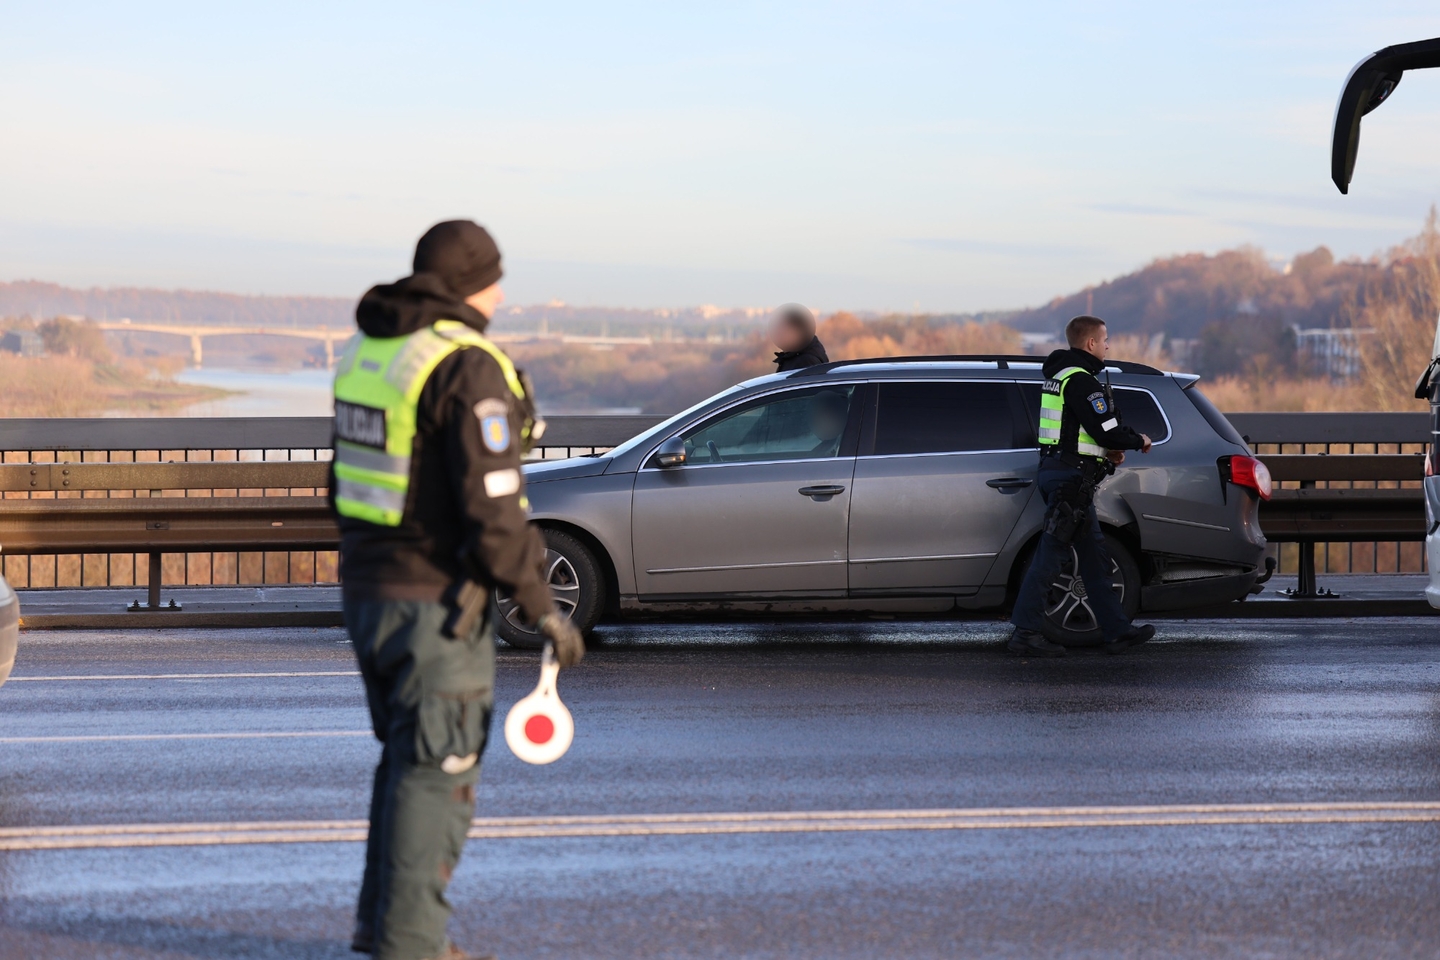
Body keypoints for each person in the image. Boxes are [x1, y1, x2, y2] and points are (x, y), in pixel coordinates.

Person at [330, 219, 585, 960]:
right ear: (468, 283)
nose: (501, 294)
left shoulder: (371, 353)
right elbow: (494, 508)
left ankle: (384, 927)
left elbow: (343, 481)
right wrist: (543, 608)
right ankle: (410, 945)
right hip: (434, 603)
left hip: (369, 588)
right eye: (494, 278)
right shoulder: (465, 364)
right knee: (437, 771)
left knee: (405, 762)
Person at [1008, 315, 1156, 658]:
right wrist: (1138, 440)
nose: (1108, 346)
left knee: (1094, 557)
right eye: (1105, 340)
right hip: (1071, 481)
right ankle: (1026, 632)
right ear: (1090, 343)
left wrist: (1107, 453)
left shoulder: (1058, 378)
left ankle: (1117, 631)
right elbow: (1106, 429)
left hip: (1061, 473)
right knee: (1050, 557)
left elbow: (1074, 432)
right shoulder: (1083, 382)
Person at [770, 303, 829, 372]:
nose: (780, 335)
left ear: (796, 332)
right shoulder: (797, 356)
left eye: (784, 331)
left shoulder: (806, 361)